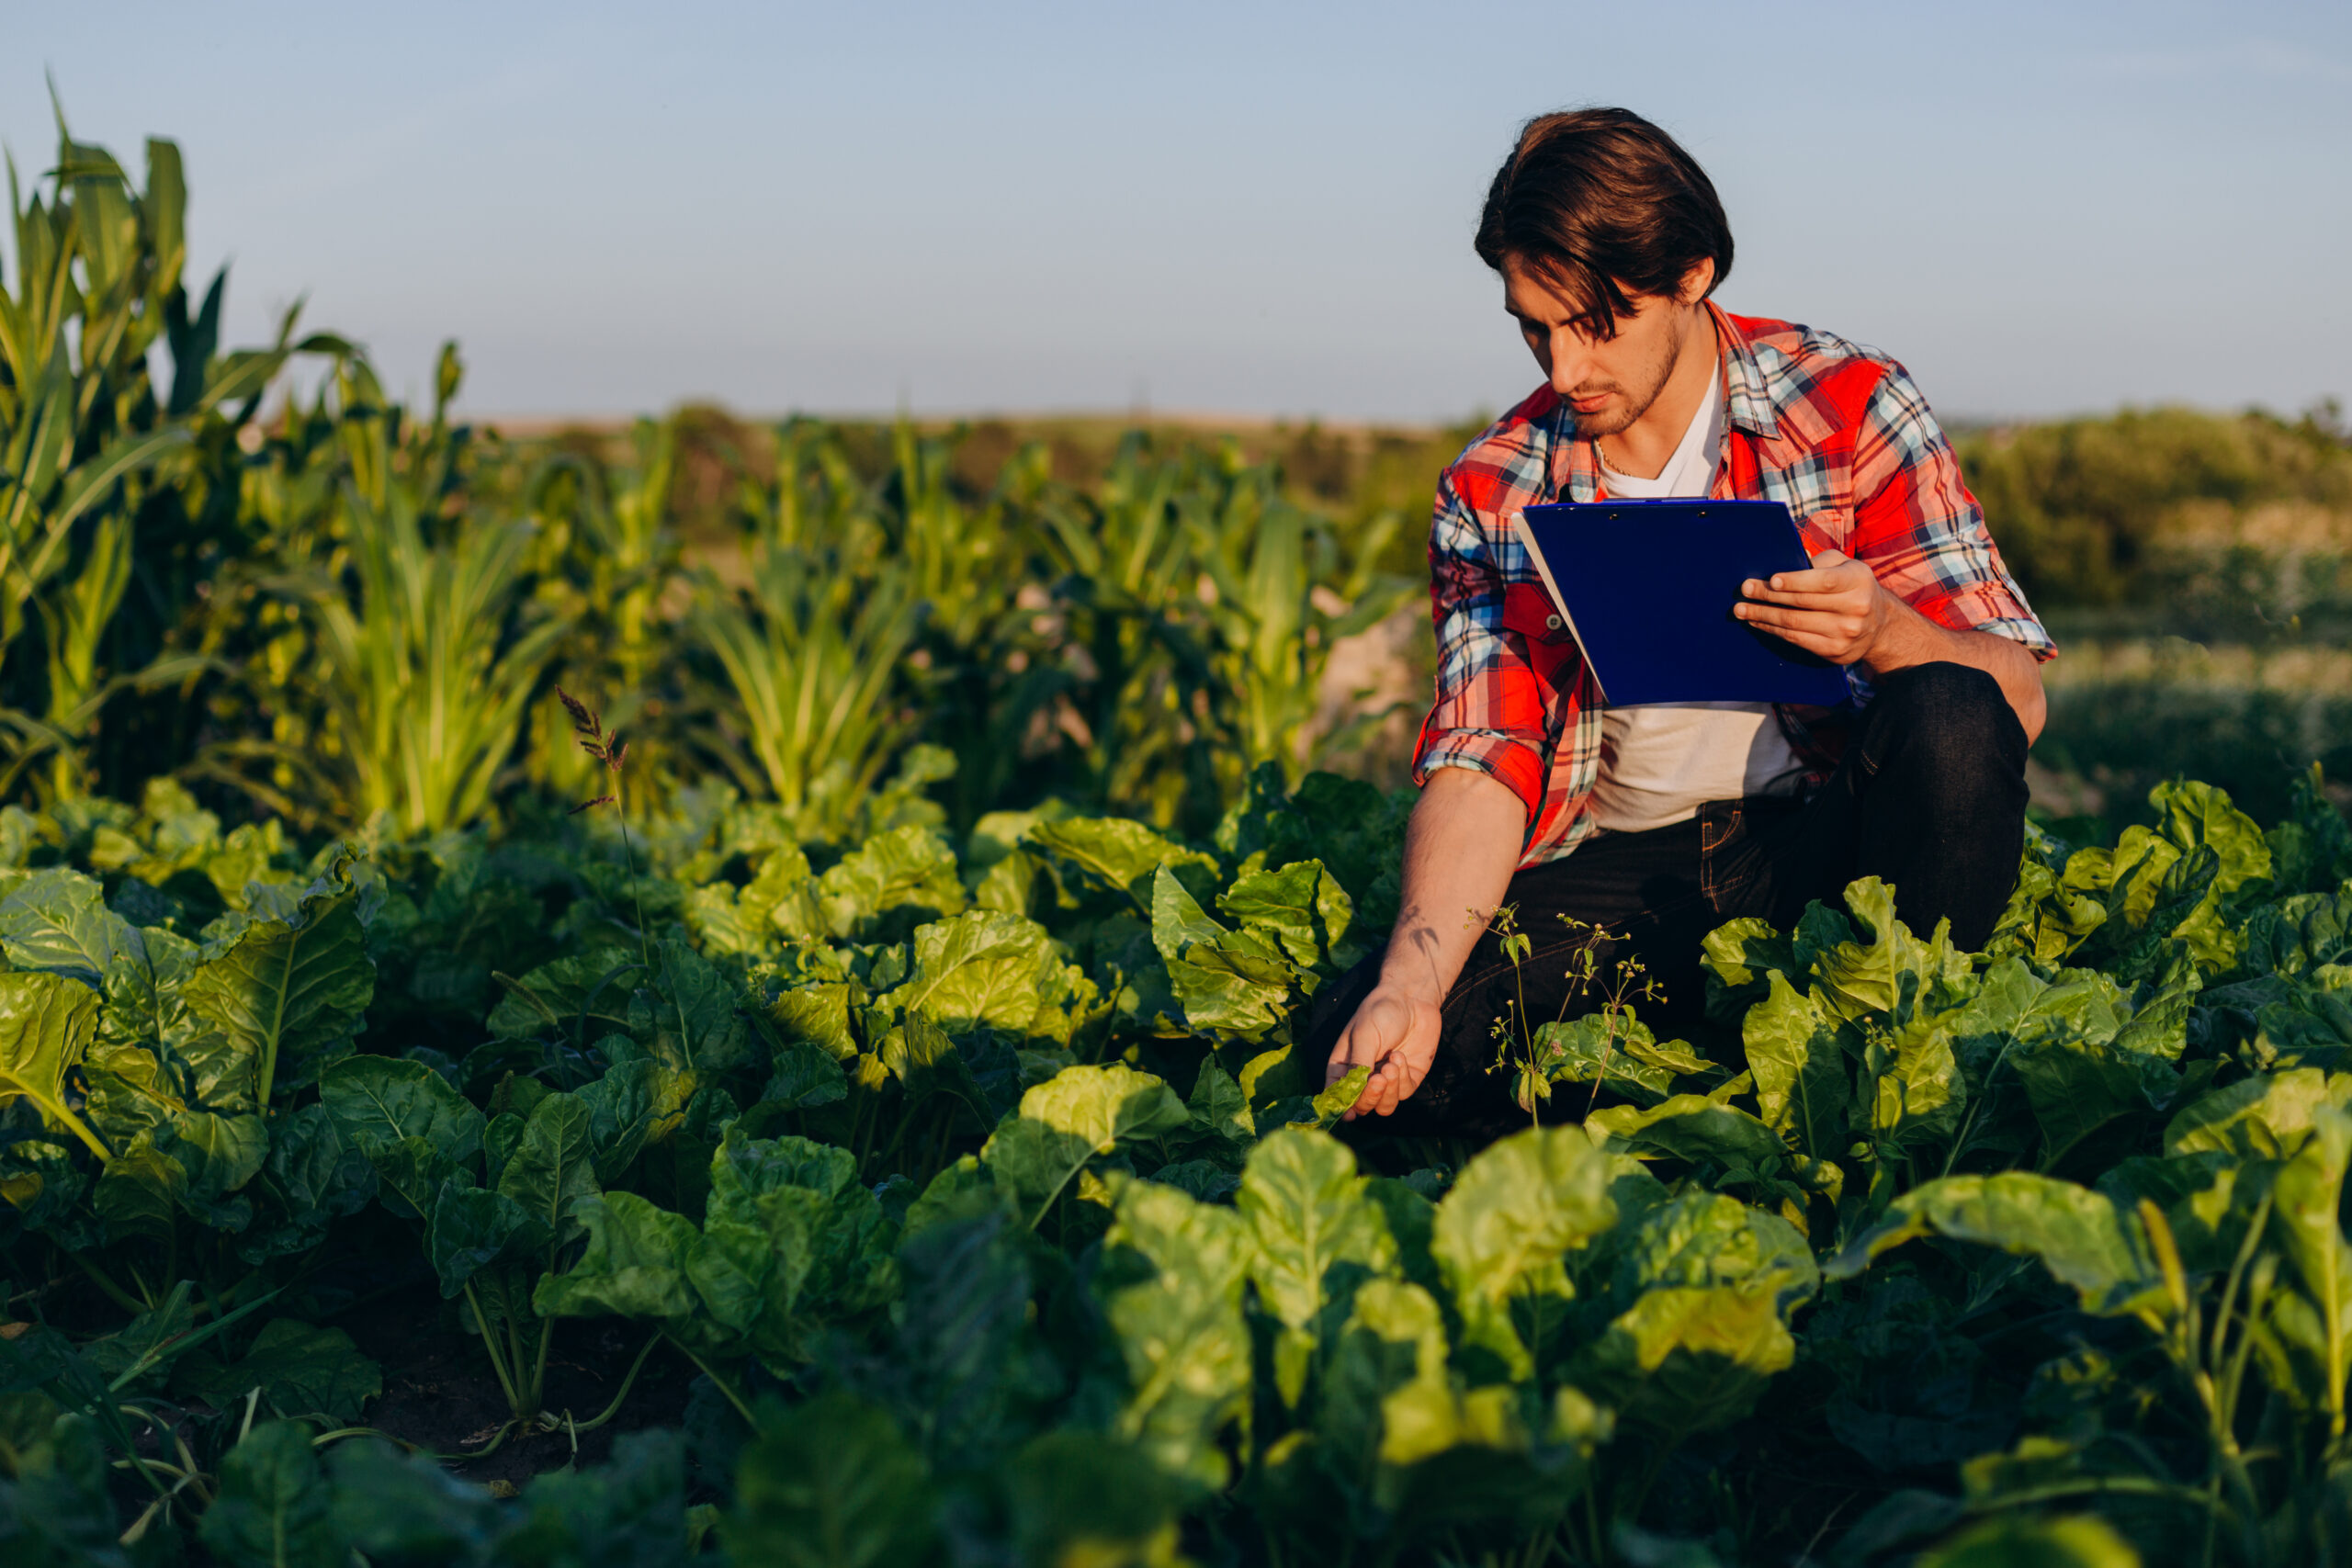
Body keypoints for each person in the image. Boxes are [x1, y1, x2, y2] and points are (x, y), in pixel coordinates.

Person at [1314, 107, 2054, 1143]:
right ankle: (1703, 1056)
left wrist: (1887, 633)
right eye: (1534, 327)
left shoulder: (1849, 403)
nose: (1563, 372)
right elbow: (1485, 756)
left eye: (1596, 324)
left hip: (1820, 853)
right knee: (1372, 1071)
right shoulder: (1492, 486)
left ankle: (1920, 1080)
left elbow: (2010, 701)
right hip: (1624, 872)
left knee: (1945, 707)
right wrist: (1410, 976)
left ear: (1692, 276)